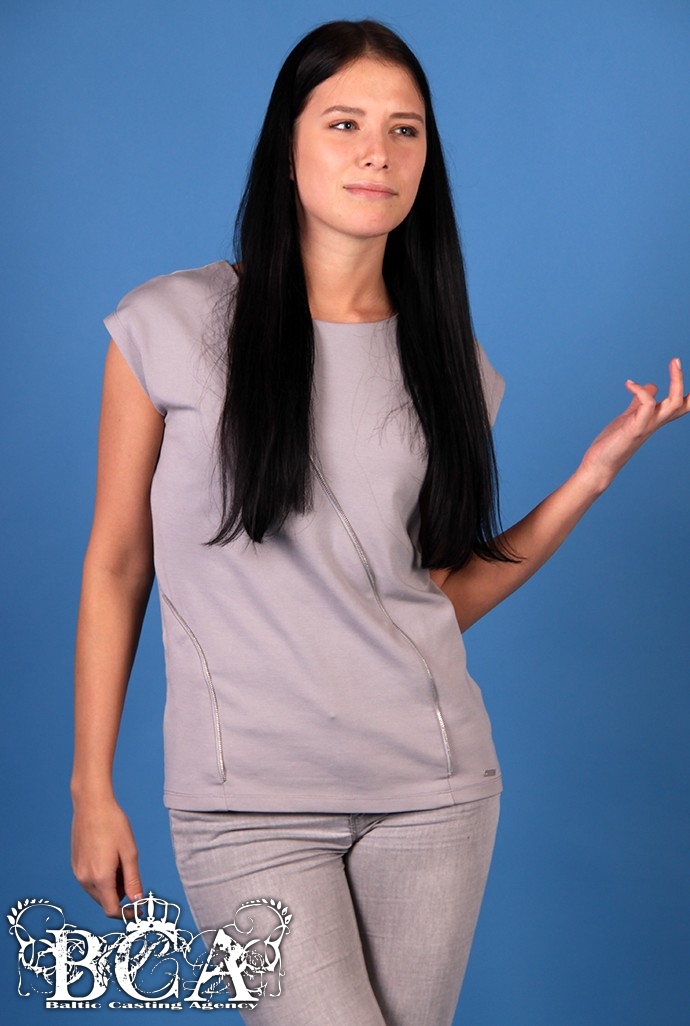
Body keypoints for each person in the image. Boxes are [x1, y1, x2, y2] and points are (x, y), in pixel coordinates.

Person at [70, 18, 688, 1026]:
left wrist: (589, 478)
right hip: (244, 809)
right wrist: (90, 787)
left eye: (406, 130)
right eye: (345, 122)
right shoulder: (167, 325)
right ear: (288, 148)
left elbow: (438, 597)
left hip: (434, 795)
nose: (378, 152)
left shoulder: (453, 367)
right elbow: (116, 565)